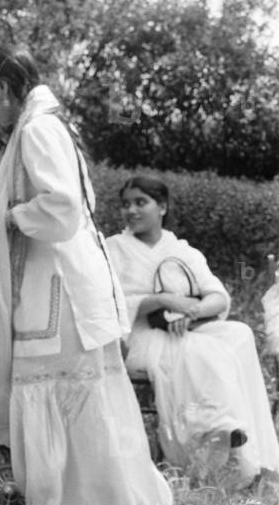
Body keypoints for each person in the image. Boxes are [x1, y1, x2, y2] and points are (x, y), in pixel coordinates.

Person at [0, 46, 171, 505]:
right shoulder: (48, 124)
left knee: (68, 393)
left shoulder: (37, 129)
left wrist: (12, 216)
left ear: (5, 89)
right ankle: (89, 504)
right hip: (63, 280)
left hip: (57, 288)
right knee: (80, 397)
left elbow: (61, 207)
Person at [106, 176, 279, 484]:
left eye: (140, 202)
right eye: (125, 204)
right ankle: (216, 431)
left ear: (162, 207)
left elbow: (217, 296)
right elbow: (110, 303)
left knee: (239, 334)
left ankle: (250, 446)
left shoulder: (183, 251)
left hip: (186, 329)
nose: (131, 210)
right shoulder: (113, 250)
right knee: (202, 349)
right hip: (142, 335)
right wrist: (160, 300)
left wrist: (191, 310)